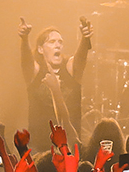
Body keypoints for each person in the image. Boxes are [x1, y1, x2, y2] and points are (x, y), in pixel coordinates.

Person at [18, 16, 93, 153]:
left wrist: (85, 38)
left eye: (60, 42)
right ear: (41, 49)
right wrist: (24, 39)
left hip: (69, 147)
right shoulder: (36, 71)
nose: (58, 45)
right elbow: (26, 61)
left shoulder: (69, 69)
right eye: (52, 42)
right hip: (40, 148)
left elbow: (80, 59)